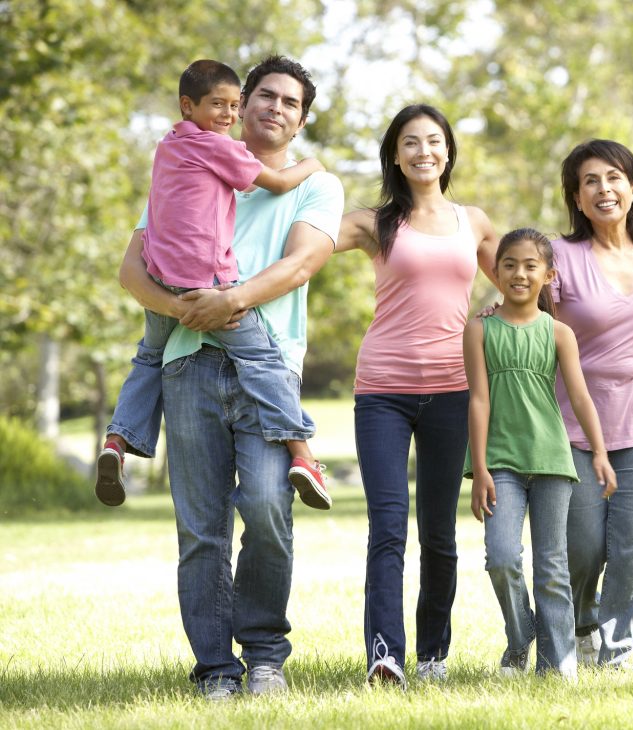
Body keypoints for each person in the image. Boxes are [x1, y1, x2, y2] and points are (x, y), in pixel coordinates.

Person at [117, 56, 344, 699]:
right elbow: (133, 270)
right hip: (187, 362)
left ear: (302, 118)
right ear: (239, 104)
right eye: (263, 95)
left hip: (269, 364)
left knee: (269, 505)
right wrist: (185, 309)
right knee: (202, 527)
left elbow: (300, 264)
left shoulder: (314, 185)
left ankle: (265, 655)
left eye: (289, 102)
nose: (275, 107)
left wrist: (231, 300)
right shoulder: (185, 159)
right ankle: (216, 667)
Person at [96, 59, 330, 512]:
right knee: (264, 359)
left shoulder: (170, 148)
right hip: (205, 299)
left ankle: (117, 440)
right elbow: (280, 182)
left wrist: (173, 305)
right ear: (193, 106)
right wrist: (312, 164)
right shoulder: (223, 151)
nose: (227, 114)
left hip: (166, 284)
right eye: (222, 104)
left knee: (145, 358)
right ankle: (302, 455)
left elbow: (302, 262)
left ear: (300, 119)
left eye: (232, 105)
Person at [333, 104, 499, 688]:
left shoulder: (472, 222)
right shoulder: (373, 223)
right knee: (388, 527)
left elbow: (525, 279)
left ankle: (432, 652)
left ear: (448, 152)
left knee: (440, 533)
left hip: (453, 392)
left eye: (433, 141)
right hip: (382, 392)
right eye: (410, 142)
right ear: (395, 155)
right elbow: (299, 243)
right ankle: (385, 654)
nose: (423, 151)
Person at [464, 228, 617, 678]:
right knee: (502, 557)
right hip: (500, 464)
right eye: (509, 264)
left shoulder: (559, 333)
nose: (518, 273)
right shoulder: (479, 330)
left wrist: (600, 454)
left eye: (531, 266)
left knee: (552, 566)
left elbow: (582, 398)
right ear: (496, 270)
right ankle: (519, 638)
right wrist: (478, 468)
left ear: (548, 275)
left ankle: (557, 663)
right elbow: (478, 400)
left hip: (552, 460)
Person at [552, 140, 633, 667]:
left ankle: (616, 652)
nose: (604, 189)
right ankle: (582, 624)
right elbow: (531, 319)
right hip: (575, 418)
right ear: (576, 199)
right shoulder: (560, 256)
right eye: (590, 182)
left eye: (614, 178)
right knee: (582, 546)